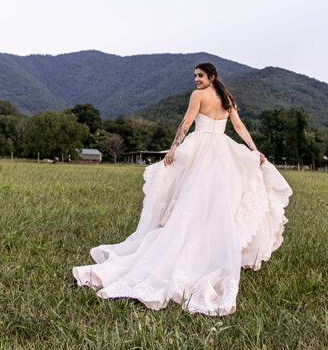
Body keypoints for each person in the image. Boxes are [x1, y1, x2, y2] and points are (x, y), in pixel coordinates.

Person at [73, 63, 292, 316]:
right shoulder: (226, 98)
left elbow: (186, 123)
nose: (196, 80)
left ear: (211, 77)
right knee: (216, 203)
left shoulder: (198, 96)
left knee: (197, 201)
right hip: (222, 150)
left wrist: (174, 148)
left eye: (200, 75)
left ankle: (194, 249)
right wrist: (253, 150)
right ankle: (207, 249)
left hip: (202, 151)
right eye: (195, 76)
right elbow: (239, 128)